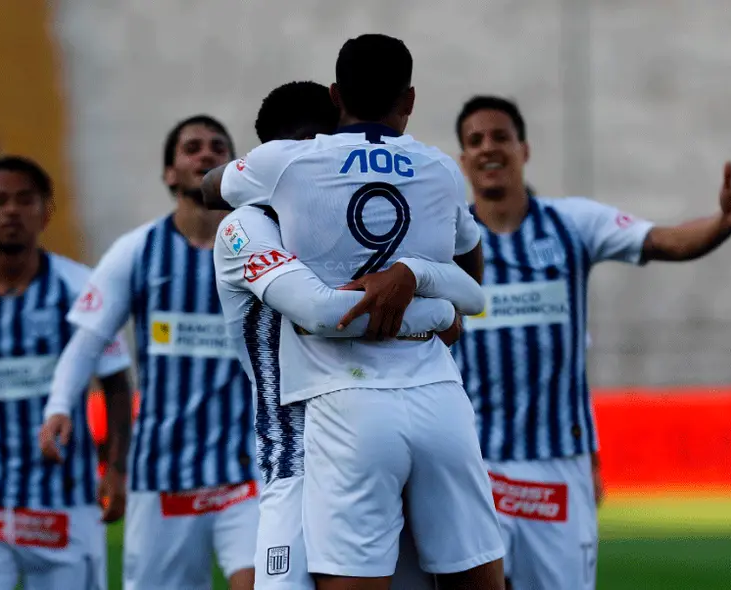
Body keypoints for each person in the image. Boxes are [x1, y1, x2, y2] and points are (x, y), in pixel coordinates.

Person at [203, 35, 505, 590]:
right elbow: (323, 312)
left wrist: (419, 278)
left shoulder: (305, 181)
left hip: (354, 420)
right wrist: (438, 312)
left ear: (338, 101)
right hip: (299, 457)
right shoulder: (245, 226)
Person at [451, 94, 731, 590]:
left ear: (524, 150)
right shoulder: (447, 241)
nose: (489, 147)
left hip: (556, 469)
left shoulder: (572, 224)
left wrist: (721, 224)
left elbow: (662, 241)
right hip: (474, 467)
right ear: (463, 160)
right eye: (475, 140)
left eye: (501, 137)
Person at [39, 116, 258, 590]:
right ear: (170, 173)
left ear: (234, 169)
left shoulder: (260, 246)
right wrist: (59, 406)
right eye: (192, 147)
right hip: (163, 478)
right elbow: (87, 341)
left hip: (248, 472)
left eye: (218, 147)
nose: (206, 154)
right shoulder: (138, 251)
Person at [0, 156, 132, 590]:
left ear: (45, 212)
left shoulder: (82, 288)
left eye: (24, 200)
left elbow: (116, 383)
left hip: (67, 505)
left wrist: (116, 468)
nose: (12, 211)